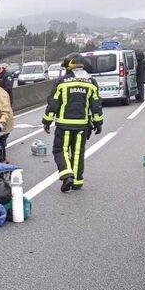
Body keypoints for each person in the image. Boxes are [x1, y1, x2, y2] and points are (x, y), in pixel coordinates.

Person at [42, 53, 104, 192]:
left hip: (64, 125)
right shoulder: (91, 83)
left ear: (69, 66)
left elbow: (53, 104)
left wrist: (47, 121)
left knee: (60, 150)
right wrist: (98, 123)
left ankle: (67, 175)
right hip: (82, 125)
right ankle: (77, 181)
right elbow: (96, 105)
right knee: (77, 153)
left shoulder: (61, 83)